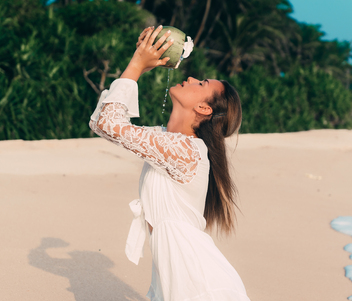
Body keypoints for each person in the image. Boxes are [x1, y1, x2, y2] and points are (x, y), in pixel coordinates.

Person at [89, 25, 251, 301]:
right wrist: (141, 64)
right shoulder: (166, 141)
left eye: (201, 84)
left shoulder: (186, 150)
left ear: (204, 109)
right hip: (179, 275)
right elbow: (101, 123)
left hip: (198, 280)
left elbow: (108, 122)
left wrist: (137, 65)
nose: (189, 77)